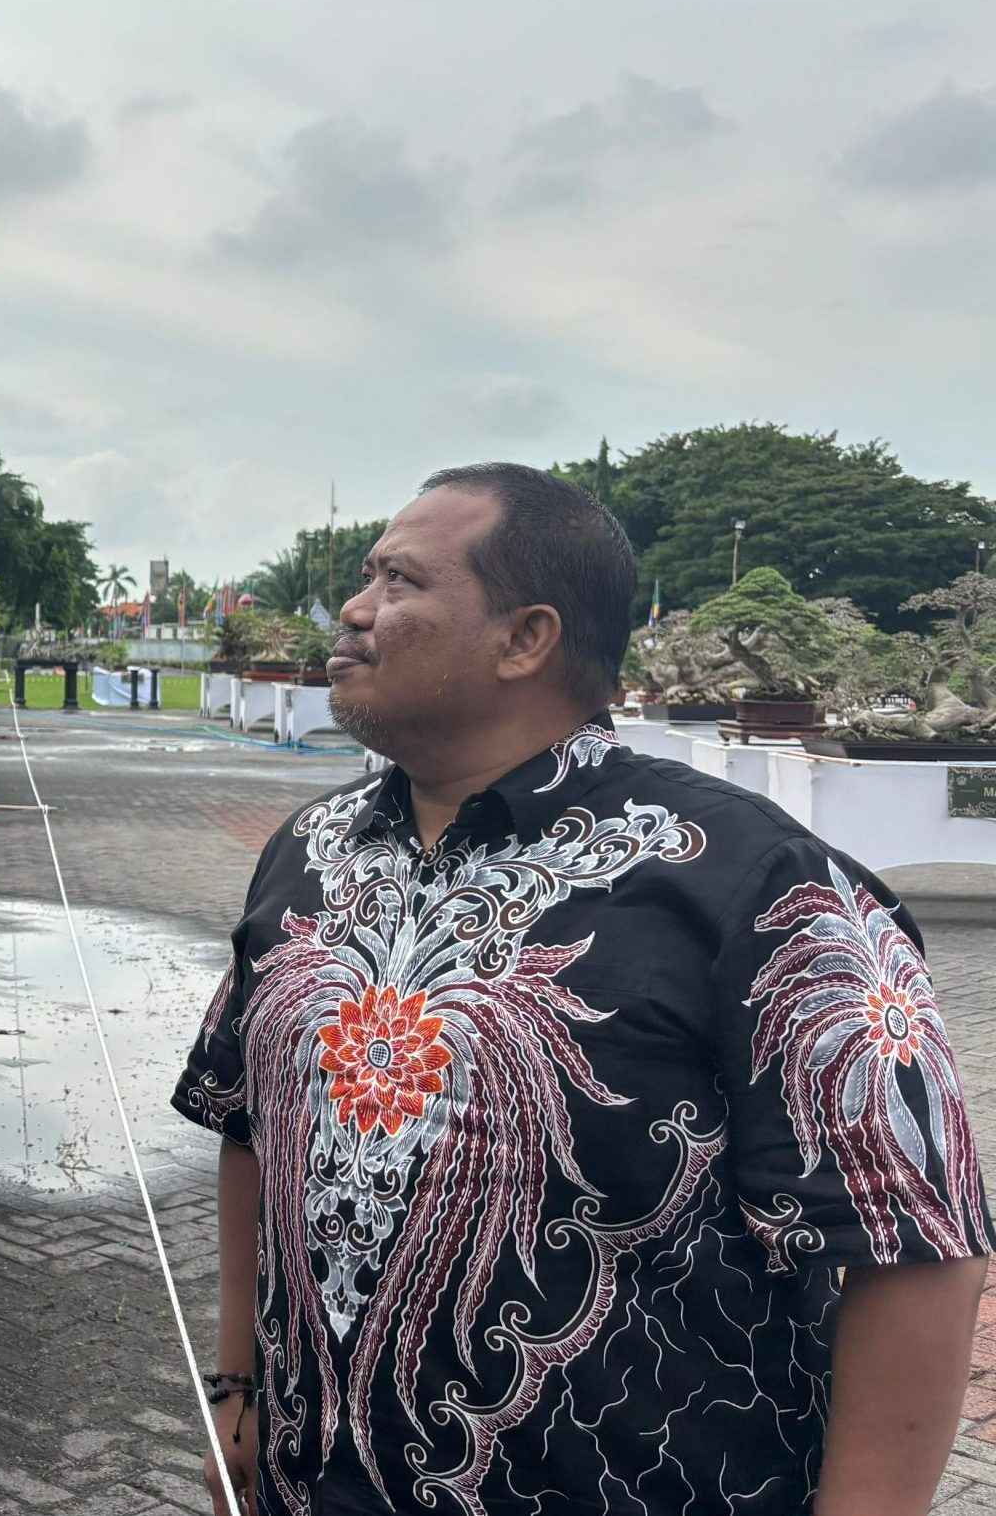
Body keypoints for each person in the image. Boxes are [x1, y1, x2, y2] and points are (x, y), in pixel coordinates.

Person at [174, 463, 990, 1516]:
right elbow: (245, 1120)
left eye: (399, 581)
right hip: (311, 1483)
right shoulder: (310, 851)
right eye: (366, 577)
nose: (354, 610)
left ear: (525, 639)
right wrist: (236, 1385)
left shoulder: (759, 885)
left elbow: (914, 1241)